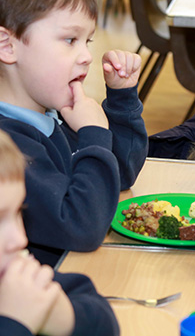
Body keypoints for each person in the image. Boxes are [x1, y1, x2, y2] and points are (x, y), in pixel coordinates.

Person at [0, 0, 148, 267]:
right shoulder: (9, 145)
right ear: (7, 46)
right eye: (70, 40)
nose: (86, 56)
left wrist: (121, 98)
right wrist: (92, 135)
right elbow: (81, 226)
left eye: (87, 41)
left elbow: (118, 174)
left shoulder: (51, 114)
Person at [0, 129, 119, 336]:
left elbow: (103, 320)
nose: (20, 238)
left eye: (19, 211)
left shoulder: (7, 273)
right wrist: (14, 324)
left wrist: (63, 317)